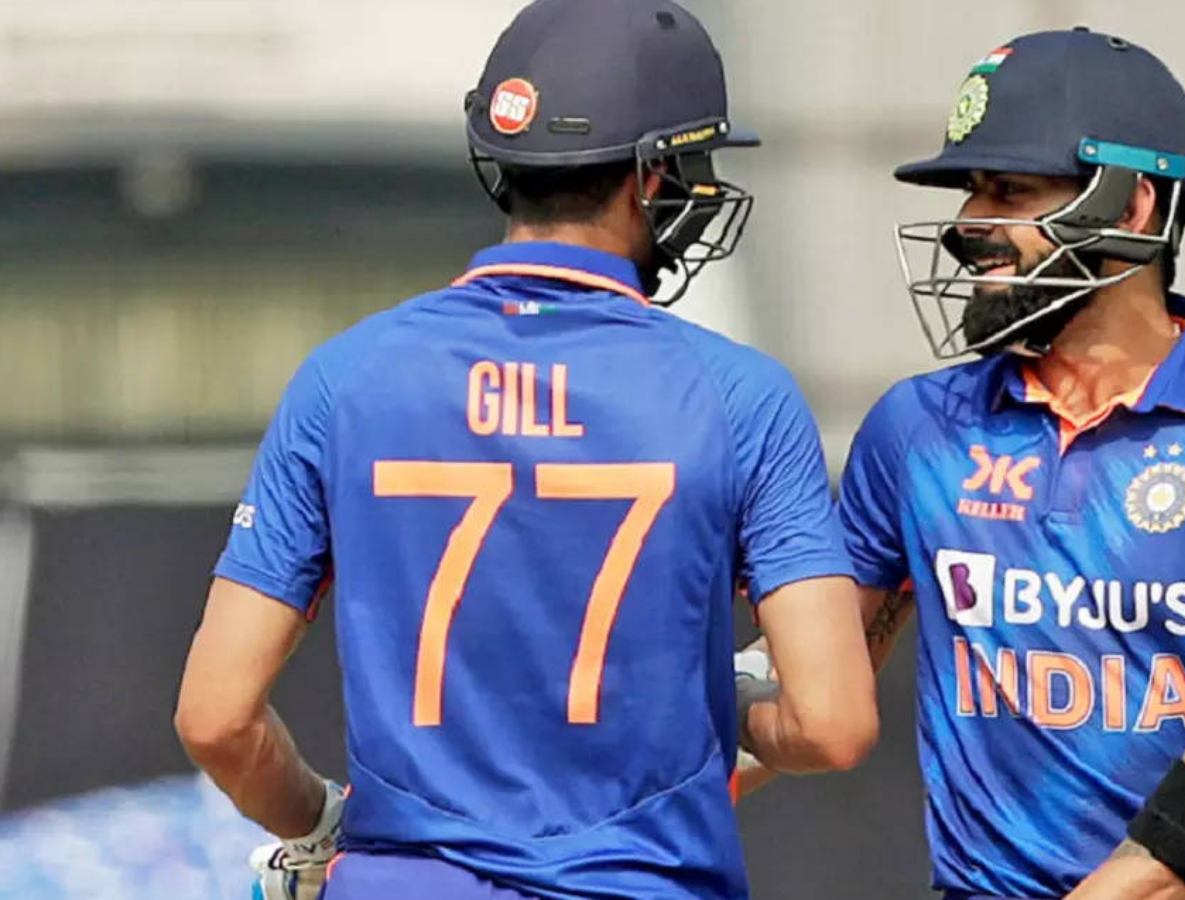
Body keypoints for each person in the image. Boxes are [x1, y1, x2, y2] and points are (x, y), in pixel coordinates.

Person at [171, 2, 878, 899]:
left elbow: (214, 718)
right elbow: (835, 724)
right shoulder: (739, 395)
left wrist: (319, 821)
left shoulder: (344, 377)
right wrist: (731, 708)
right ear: (650, 177)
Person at [741, 27, 1185, 900]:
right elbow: (800, 684)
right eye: (970, 192)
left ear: (1132, 206)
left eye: (1008, 192)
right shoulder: (917, 431)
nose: (966, 227)